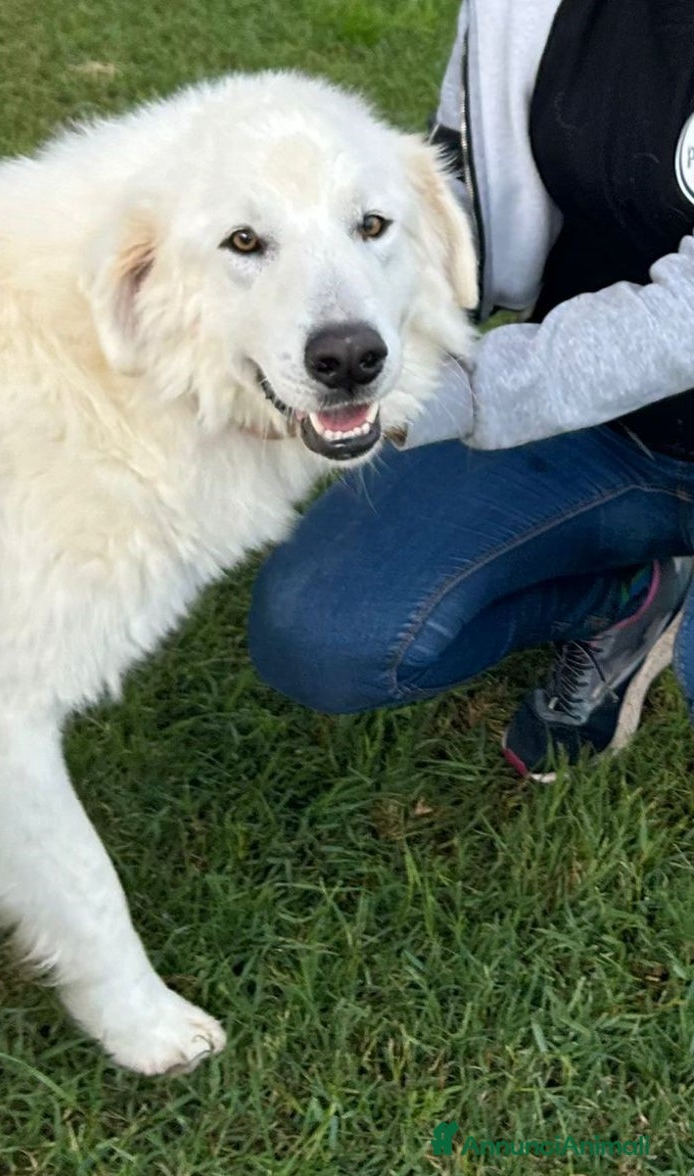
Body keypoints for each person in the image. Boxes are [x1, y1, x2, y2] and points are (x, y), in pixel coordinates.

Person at [248, 0, 694, 780]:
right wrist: (328, 322)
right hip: (593, 428)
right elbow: (460, 206)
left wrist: (436, 397)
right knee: (319, 632)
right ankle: (625, 598)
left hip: (555, 384)